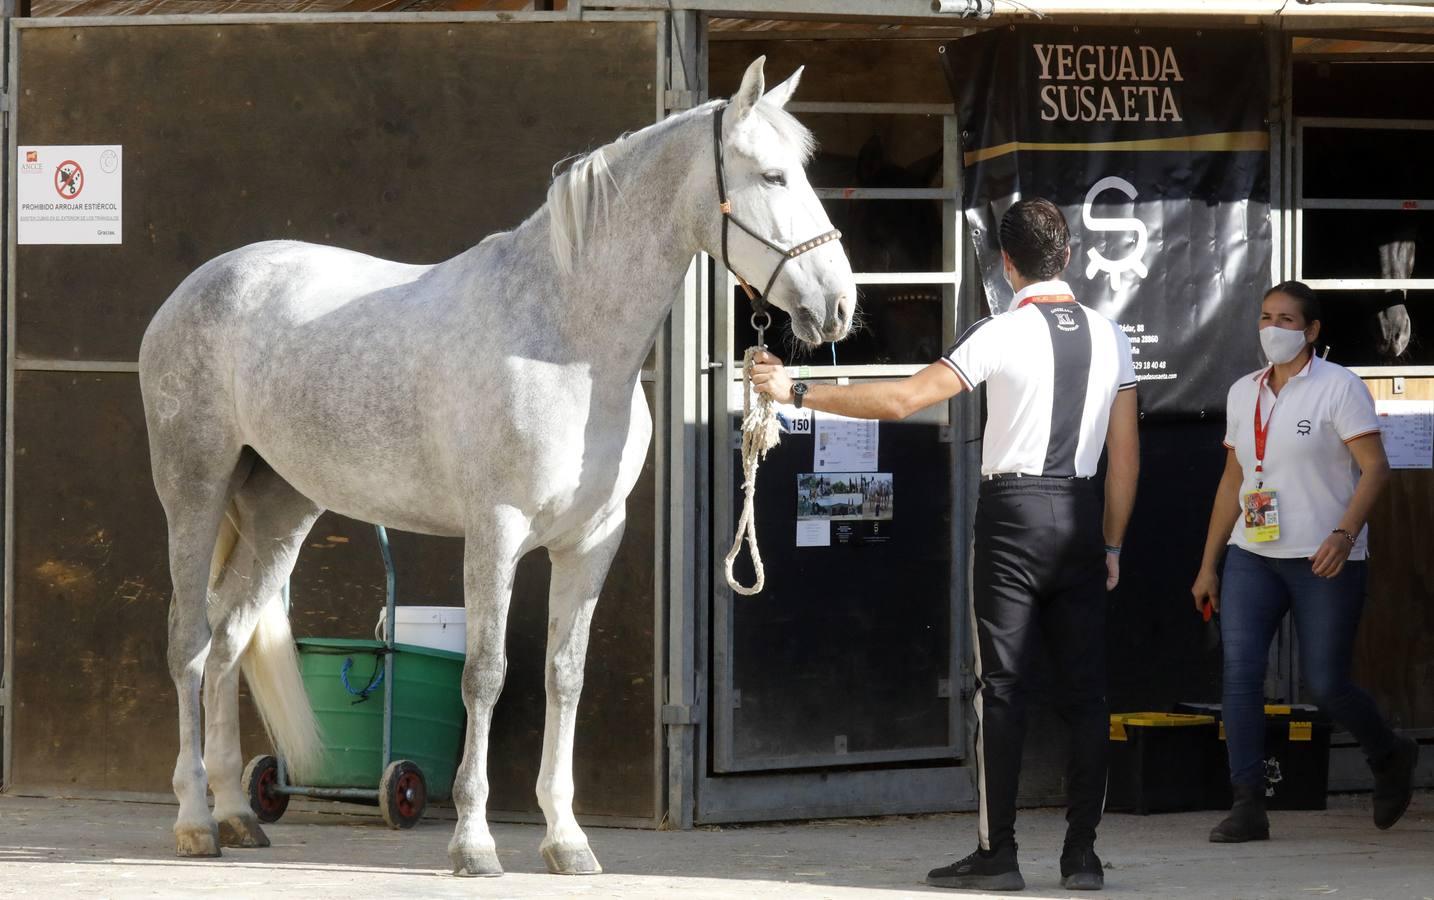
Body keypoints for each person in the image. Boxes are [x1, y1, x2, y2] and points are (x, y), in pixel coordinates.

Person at [751, 199, 1139, 892]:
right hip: (1079, 513)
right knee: (1087, 694)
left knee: (1003, 691)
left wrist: (795, 388)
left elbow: (904, 401)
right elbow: (1127, 456)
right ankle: (1082, 857)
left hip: (1016, 513)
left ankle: (1000, 853)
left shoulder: (999, 330)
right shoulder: (1112, 337)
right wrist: (1111, 545)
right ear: (1071, 256)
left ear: (1006, 264)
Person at [1191, 281, 1419, 843]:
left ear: (1313, 330)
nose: (1273, 328)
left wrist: (1345, 534)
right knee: (1239, 678)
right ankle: (1247, 803)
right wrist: (1208, 563)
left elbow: (1376, 469)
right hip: (1253, 554)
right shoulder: (1243, 391)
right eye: (1266, 316)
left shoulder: (1340, 388)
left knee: (1326, 682)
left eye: (1288, 319)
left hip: (1324, 558)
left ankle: (1390, 754)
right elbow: (1233, 479)